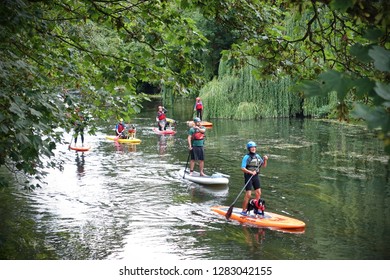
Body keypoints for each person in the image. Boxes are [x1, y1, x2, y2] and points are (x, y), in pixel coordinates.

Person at [240, 141, 268, 216]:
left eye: (254, 147)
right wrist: (250, 172)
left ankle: (257, 209)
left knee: (258, 193)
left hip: (255, 176)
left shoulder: (258, 156)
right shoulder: (246, 157)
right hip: (248, 176)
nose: (253, 149)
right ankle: (244, 210)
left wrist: (265, 160)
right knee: (248, 194)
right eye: (251, 148)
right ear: (249, 149)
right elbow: (242, 168)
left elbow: (264, 165)